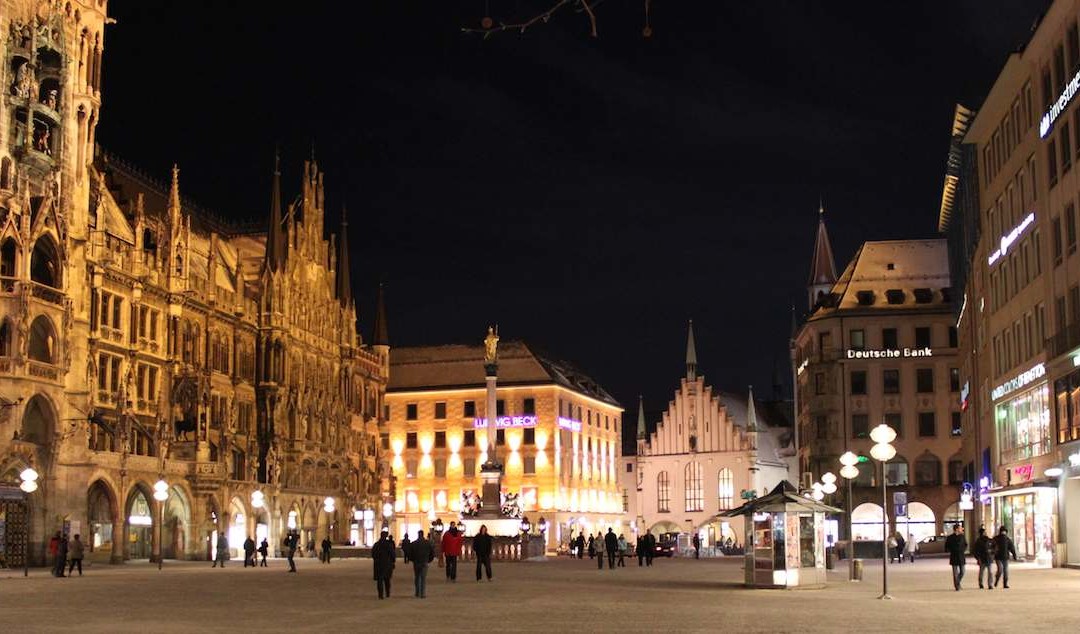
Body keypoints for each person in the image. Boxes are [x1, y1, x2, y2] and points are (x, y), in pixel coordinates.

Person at [409, 529, 434, 598]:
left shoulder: (414, 543)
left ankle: (417, 592)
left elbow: (410, 554)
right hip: (424, 561)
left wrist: (413, 560)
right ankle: (422, 593)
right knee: (423, 578)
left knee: (417, 577)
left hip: (416, 562)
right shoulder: (427, 543)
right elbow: (432, 553)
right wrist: (429, 560)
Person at [372, 530, 396, 599]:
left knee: (380, 580)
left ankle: (380, 595)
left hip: (378, 564)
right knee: (387, 579)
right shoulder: (389, 544)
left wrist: (377, 560)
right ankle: (387, 593)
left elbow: (373, 554)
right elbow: (392, 554)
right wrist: (393, 562)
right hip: (387, 564)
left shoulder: (376, 544)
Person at [944, 524, 967, 591]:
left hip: (961, 556)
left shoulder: (962, 537)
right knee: (955, 573)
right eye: (960, 528)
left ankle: (957, 582)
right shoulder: (950, 537)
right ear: (956, 529)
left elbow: (965, 544)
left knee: (963, 571)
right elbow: (946, 547)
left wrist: (963, 550)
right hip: (954, 556)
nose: (961, 529)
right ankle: (957, 586)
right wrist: (952, 550)